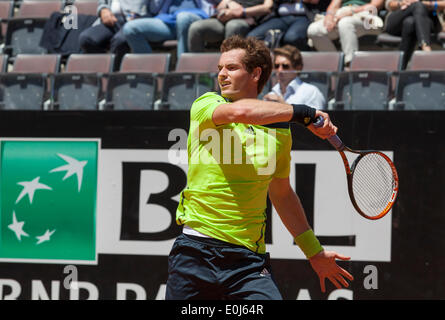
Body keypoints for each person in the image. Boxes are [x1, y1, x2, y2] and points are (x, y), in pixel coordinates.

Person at [165, 35, 354, 300]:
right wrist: (303, 113)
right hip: (194, 254)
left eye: (231, 68)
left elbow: (282, 193)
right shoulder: (206, 105)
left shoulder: (279, 132)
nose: (222, 74)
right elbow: (239, 113)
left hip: (246, 264)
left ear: (255, 73)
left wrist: (314, 252)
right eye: (220, 68)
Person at [122, 0, 219, 59]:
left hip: (198, 16)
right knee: (131, 28)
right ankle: (148, 74)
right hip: (168, 20)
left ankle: (184, 71)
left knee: (183, 18)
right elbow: (153, 9)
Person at [78, 0, 155, 70]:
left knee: (119, 41)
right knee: (86, 39)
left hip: (136, 22)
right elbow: (103, 3)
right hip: (112, 20)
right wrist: (103, 9)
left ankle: (114, 76)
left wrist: (141, 15)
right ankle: (102, 71)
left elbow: (154, 7)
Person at [306, 0, 384, 67]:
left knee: (345, 23)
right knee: (314, 30)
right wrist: (329, 16)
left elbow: (375, 6)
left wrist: (352, 11)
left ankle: (350, 65)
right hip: (342, 14)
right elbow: (334, 5)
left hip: (366, 16)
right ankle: (335, 65)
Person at [188, 0, 274, 52]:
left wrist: (242, 12)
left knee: (233, 26)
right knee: (196, 28)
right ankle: (195, 74)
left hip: (248, 19)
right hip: (225, 19)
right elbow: (220, 7)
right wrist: (228, 4)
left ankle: (228, 69)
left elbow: (267, 7)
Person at [384, 0, 444, 69]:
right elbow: (389, 4)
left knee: (410, 23)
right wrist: (402, 3)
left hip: (428, 20)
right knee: (417, 5)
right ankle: (426, 48)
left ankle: (400, 69)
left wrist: (430, 4)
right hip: (398, 19)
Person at [247, 0, 331, 50]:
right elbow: (270, 5)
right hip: (281, 17)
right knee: (252, 37)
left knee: (291, 37)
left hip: (304, 17)